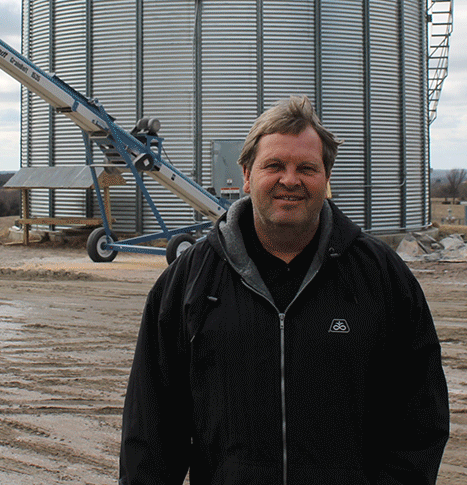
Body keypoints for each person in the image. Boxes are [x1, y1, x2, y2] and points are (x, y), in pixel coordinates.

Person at [119, 95, 449, 484]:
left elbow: (419, 417)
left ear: (326, 178)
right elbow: (152, 427)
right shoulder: (188, 283)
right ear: (246, 174)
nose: (289, 180)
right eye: (274, 165)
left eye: (306, 168)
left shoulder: (381, 277)